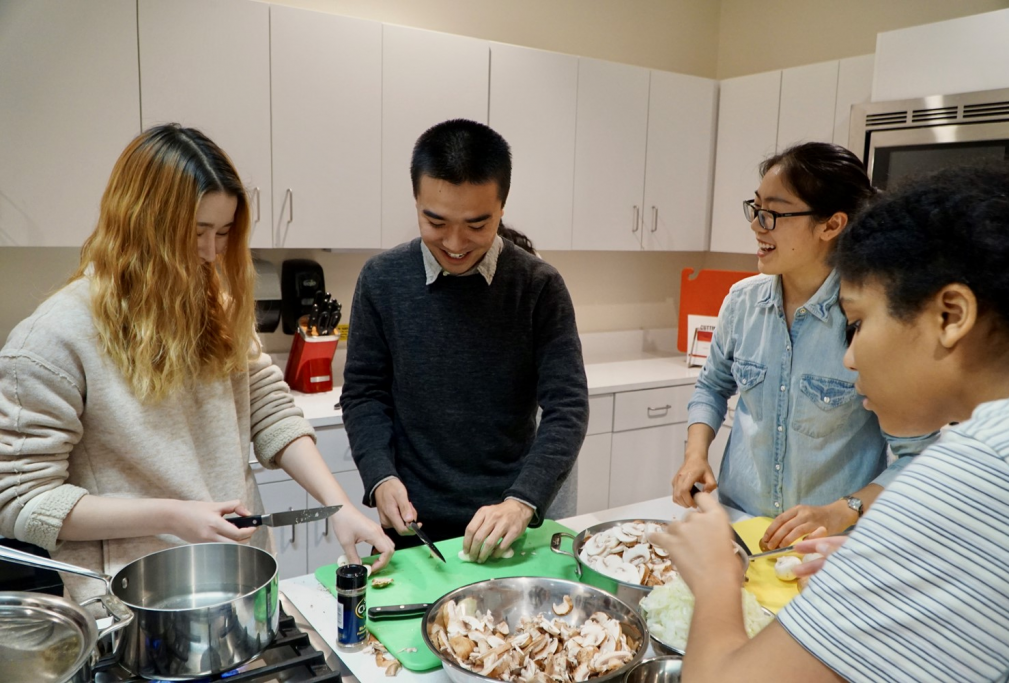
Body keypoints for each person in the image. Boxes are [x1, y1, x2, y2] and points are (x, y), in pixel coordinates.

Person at [652, 162, 1009, 682]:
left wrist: (716, 575)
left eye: (858, 324)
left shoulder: (972, 479)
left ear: (951, 315)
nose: (849, 359)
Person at [0, 124, 393, 600]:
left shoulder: (216, 306)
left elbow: (270, 409)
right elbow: (24, 502)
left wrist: (340, 505)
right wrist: (173, 515)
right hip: (133, 604)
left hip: (241, 579)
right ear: (139, 224)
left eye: (223, 233)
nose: (210, 253)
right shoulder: (53, 338)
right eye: (196, 233)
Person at [340, 119, 589, 562]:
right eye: (435, 221)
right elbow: (364, 393)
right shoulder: (381, 281)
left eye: (477, 224)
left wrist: (522, 501)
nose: (454, 243)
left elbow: (567, 409)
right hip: (412, 525)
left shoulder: (538, 286)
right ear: (416, 201)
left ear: (502, 206)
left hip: (507, 524)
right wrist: (380, 477)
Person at [671, 142, 933, 549]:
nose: (758, 225)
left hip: (826, 548)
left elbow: (917, 456)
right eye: (755, 209)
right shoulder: (742, 302)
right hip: (738, 529)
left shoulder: (873, 322)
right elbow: (711, 386)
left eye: (773, 213)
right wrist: (695, 453)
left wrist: (844, 508)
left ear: (831, 225)